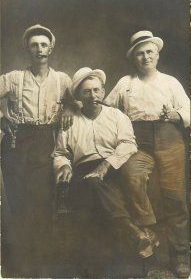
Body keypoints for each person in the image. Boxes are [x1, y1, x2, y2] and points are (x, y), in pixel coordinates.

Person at [53, 67, 160, 272]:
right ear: (79, 96)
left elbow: (128, 144)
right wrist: (64, 167)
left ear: (103, 92)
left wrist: (106, 165)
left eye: (96, 90)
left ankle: (113, 257)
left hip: (114, 166)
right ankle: (134, 234)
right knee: (92, 183)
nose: (93, 96)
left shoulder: (116, 116)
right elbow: (60, 153)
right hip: (81, 171)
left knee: (98, 184)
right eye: (87, 92)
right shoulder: (70, 120)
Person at [105, 30, 190, 278]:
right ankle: (149, 246)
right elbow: (107, 110)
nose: (145, 57)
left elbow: (189, 111)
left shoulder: (171, 82)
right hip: (137, 142)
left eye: (149, 52)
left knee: (175, 198)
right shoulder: (125, 83)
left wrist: (174, 115)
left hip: (169, 139)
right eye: (140, 54)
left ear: (157, 54)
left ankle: (180, 255)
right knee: (131, 178)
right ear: (134, 58)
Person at [0, 24, 72, 276]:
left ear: (50, 48)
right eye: (34, 45)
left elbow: (76, 101)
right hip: (16, 142)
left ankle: (42, 263)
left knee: (41, 202)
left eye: (43, 44)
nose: (39, 49)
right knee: (19, 203)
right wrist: (1, 117)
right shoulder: (14, 78)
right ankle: (21, 264)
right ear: (27, 49)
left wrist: (70, 109)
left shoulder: (62, 79)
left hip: (46, 142)